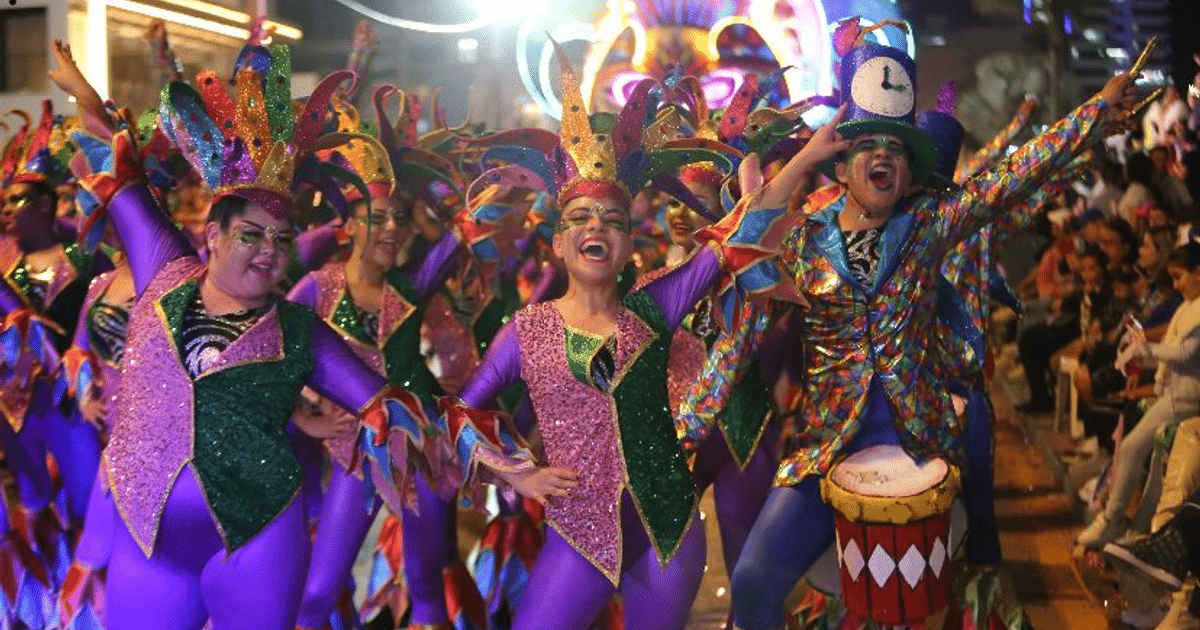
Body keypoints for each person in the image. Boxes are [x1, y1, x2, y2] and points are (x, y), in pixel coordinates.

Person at [687, 36, 1138, 629]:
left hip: (921, 440)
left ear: (908, 174)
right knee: (751, 582)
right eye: (867, 147)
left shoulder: (929, 224)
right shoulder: (804, 237)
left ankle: (983, 549)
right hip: (827, 450)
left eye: (897, 150)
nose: (884, 157)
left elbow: (1015, 175)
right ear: (843, 167)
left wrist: (1096, 110)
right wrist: (801, 159)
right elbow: (740, 253)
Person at [68, 46, 433, 630]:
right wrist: (86, 97)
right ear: (212, 235)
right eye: (251, 235)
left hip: (261, 533)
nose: (269, 250)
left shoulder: (298, 330)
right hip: (149, 533)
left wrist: (504, 463)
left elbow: (390, 403)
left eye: (281, 238)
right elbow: (125, 180)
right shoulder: (164, 273)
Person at [1078, 242, 1200, 548]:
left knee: (1133, 447)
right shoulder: (1187, 307)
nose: (1176, 285)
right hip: (1174, 396)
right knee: (1154, 462)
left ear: (1199, 274)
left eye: (1179, 276)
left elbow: (1185, 352)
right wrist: (1142, 356)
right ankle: (1140, 527)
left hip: (1187, 400)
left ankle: (1112, 518)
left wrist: (1147, 349)